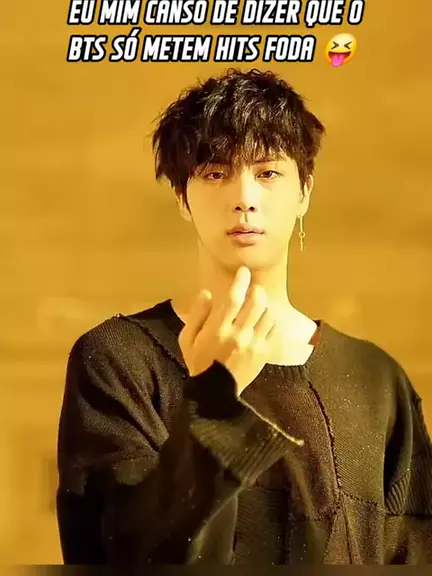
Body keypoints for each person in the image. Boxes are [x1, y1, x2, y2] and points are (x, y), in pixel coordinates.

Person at [56, 68, 432, 566]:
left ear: (304, 192)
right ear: (183, 197)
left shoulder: (376, 380)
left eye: (268, 173)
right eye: (216, 173)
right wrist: (213, 399)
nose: (244, 199)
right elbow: (118, 551)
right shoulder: (117, 360)